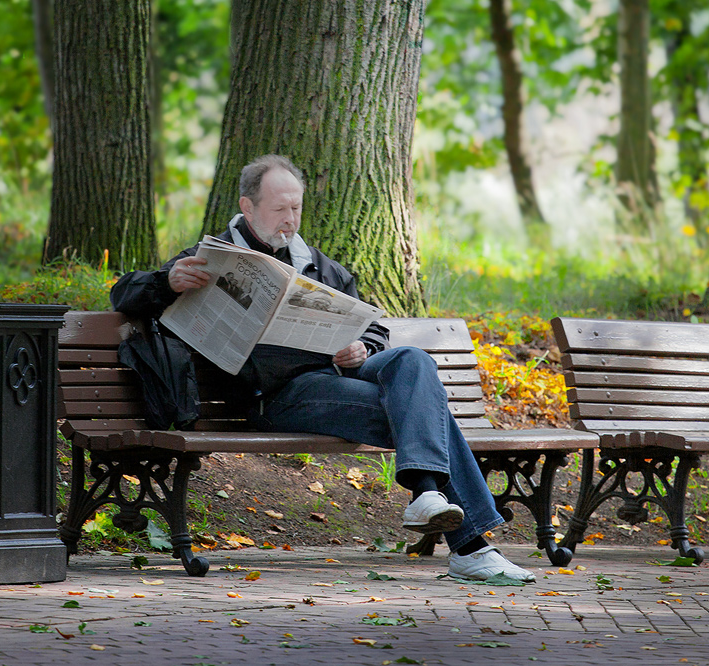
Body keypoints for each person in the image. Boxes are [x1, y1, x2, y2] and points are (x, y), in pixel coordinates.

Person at [110, 154, 535, 583]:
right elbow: (121, 294)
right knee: (426, 413)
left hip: (336, 380)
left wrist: (361, 348)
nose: (289, 219)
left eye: (296, 208)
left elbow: (372, 326)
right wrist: (167, 283)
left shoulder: (318, 264)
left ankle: (433, 503)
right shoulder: (209, 260)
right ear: (248, 206)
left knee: (412, 360)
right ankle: (470, 544)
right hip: (276, 398)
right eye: (279, 209)